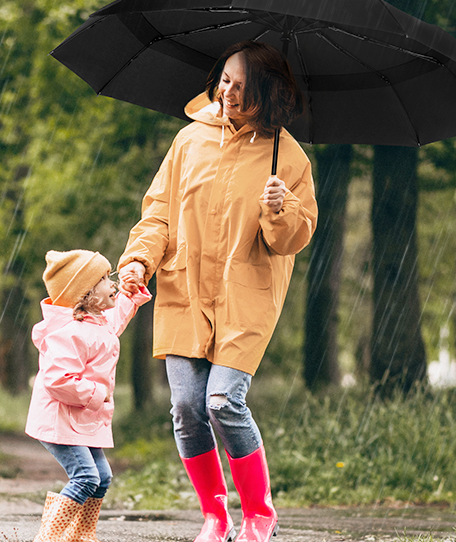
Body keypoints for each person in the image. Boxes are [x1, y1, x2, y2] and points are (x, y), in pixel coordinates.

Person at [117, 40, 317, 542]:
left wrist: (282, 207)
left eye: (242, 87)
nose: (227, 92)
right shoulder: (189, 140)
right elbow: (159, 212)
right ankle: (215, 515)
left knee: (223, 401)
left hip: (244, 295)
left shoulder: (288, 156)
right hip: (185, 289)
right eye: (225, 80)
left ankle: (259, 514)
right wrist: (139, 259)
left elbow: (292, 239)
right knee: (186, 408)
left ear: (268, 94)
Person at [26, 250, 152, 542]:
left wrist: (131, 295)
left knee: (102, 478)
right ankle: (49, 538)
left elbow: (117, 317)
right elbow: (57, 379)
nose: (114, 284)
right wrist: (97, 392)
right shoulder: (69, 333)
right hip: (59, 419)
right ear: (86, 294)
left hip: (80, 419)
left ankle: (81, 535)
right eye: (105, 279)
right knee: (86, 477)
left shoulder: (99, 322)